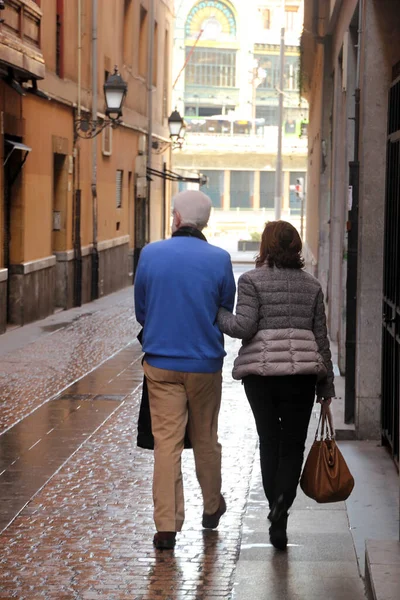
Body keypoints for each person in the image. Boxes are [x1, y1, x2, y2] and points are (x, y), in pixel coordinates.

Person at [217, 220, 335, 551]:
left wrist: (217, 313)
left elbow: (243, 326)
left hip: (261, 375)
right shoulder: (311, 285)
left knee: (269, 440)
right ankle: (282, 506)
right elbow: (320, 339)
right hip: (301, 377)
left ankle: (275, 508)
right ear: (296, 247)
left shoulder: (251, 280)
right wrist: (326, 389)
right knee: (293, 444)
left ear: (265, 247)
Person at [134, 190, 236, 550]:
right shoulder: (220, 259)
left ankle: (166, 526)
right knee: (206, 435)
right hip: (205, 363)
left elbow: (141, 309)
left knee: (167, 443)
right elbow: (224, 309)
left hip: (161, 362)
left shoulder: (150, 254)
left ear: (176, 218)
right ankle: (211, 506)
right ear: (204, 221)